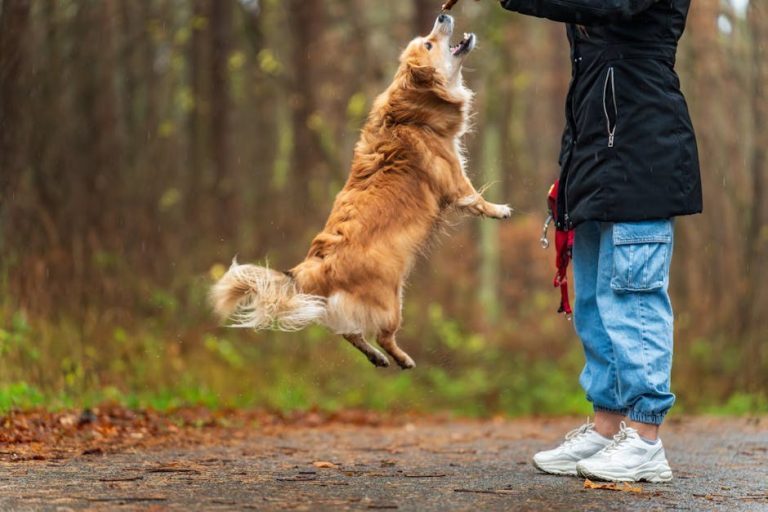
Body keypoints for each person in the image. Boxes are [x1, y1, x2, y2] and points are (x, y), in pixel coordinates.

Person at [496, 0, 702, 482]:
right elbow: (588, 85)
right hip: (595, 161)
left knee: (634, 296)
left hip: (644, 156)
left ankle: (645, 438)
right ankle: (608, 428)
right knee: (594, 301)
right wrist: (568, 175)